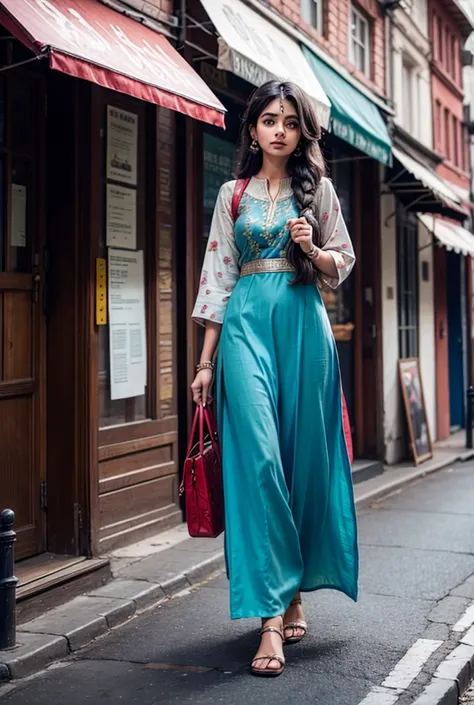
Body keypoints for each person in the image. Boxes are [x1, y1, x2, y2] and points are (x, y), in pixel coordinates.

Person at [191, 80, 359, 678]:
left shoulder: (321, 193)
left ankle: (293, 590)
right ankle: (269, 618)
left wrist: (313, 251)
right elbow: (217, 274)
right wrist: (206, 363)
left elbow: (343, 261)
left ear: (301, 131)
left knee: (299, 461)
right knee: (260, 461)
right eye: (269, 119)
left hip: (303, 331)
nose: (280, 129)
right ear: (253, 129)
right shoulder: (232, 195)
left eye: (290, 121)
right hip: (243, 330)